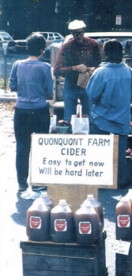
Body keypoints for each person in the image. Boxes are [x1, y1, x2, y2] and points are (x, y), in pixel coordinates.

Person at [86, 39, 132, 188]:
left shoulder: (100, 73)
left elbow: (92, 95)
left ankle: (101, 178)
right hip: (122, 119)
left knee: (99, 150)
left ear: (105, 54)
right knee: (120, 152)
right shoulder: (129, 71)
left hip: (101, 119)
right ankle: (121, 180)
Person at [9, 33, 53, 193]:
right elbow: (49, 91)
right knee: (40, 146)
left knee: (22, 147)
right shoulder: (46, 67)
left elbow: (12, 86)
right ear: (42, 50)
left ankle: (22, 182)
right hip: (40, 110)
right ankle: (38, 181)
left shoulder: (17, 64)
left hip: (21, 110)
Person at [54, 20, 102, 122]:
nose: (78, 36)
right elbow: (57, 70)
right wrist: (74, 68)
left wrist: (94, 69)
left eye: (80, 33)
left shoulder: (93, 44)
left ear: (84, 31)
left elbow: (101, 65)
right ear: (71, 33)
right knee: (69, 118)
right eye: (75, 34)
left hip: (88, 85)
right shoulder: (67, 47)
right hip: (71, 85)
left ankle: (89, 134)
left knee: (90, 117)